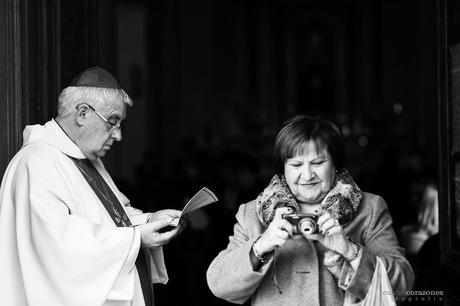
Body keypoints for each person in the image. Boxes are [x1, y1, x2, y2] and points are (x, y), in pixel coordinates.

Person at [0, 67, 183, 306]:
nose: (118, 136)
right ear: (83, 113)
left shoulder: (85, 159)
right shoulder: (36, 163)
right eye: (113, 122)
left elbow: (111, 218)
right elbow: (58, 251)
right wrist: (135, 239)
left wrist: (149, 222)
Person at [206, 115, 414, 305]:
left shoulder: (369, 209)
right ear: (283, 169)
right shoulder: (252, 213)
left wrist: (351, 252)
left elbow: (402, 287)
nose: (307, 175)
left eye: (318, 162)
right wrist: (261, 245)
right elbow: (219, 285)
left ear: (336, 164)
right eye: (296, 165)